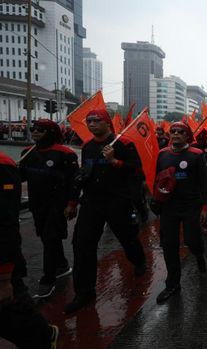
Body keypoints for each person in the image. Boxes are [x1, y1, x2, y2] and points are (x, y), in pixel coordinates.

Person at [64, 109, 146, 314]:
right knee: (82, 245)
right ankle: (84, 291)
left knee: (128, 238)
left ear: (107, 123)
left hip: (118, 202)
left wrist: (114, 161)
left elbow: (137, 169)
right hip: (92, 202)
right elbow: (83, 174)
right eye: (88, 120)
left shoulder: (124, 144)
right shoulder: (88, 147)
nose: (91, 124)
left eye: (96, 120)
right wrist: (73, 202)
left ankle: (139, 260)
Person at [0, 151, 59, 348]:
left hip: (2, 260)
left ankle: (44, 336)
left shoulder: (3, 165)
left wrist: (4, 276)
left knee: (13, 310)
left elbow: (5, 224)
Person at [153, 122, 207, 303]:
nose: (176, 134)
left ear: (187, 136)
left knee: (192, 240)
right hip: (169, 207)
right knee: (169, 245)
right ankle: (173, 284)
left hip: (191, 206)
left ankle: (200, 256)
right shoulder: (162, 154)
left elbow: (205, 183)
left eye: (180, 132)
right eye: (173, 131)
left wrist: (206, 208)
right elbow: (158, 179)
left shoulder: (197, 155)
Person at [19, 119, 78, 299]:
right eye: (33, 129)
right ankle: (61, 264)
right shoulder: (27, 153)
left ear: (50, 132)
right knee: (46, 237)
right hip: (37, 204)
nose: (35, 132)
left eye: (40, 130)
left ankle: (48, 279)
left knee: (50, 238)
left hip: (57, 204)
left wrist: (72, 204)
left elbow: (74, 182)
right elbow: (21, 178)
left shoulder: (66, 154)